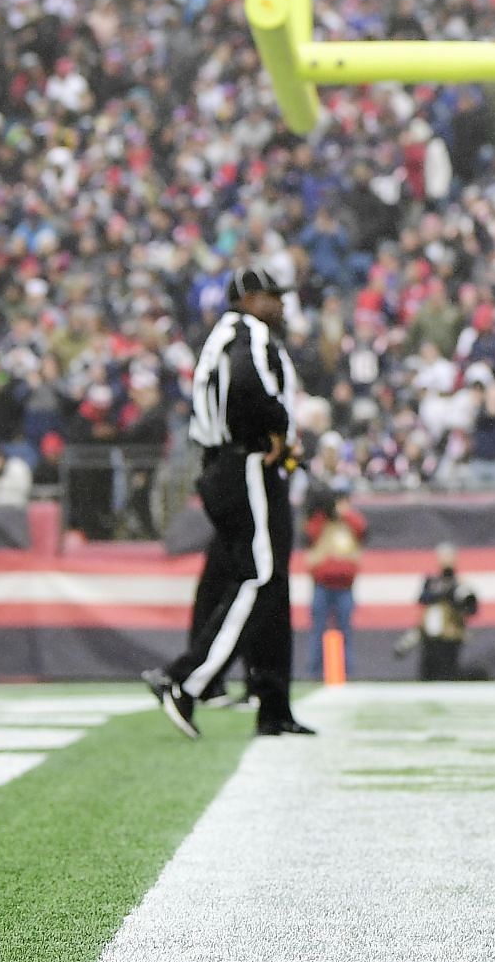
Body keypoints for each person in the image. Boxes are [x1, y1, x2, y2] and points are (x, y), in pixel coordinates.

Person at [143, 265, 314, 739]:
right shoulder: (247, 331)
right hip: (246, 463)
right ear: (250, 299)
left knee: (270, 585)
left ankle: (273, 703)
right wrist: (277, 429)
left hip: (232, 465)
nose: (279, 306)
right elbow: (245, 383)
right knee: (259, 578)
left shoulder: (227, 333)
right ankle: (186, 680)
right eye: (271, 296)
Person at [303, 486, 366, 679]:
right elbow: (310, 533)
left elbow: (362, 528)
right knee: (318, 630)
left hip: (345, 587)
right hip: (322, 585)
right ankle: (314, 672)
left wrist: (345, 514)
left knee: (345, 630)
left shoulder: (350, 522)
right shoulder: (321, 521)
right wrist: (326, 513)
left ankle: (347, 672)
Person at [395, 544, 481, 680]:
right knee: (428, 674)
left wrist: (458, 596)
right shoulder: (432, 582)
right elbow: (423, 600)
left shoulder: (460, 584)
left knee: (448, 674)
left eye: (449, 557)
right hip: (429, 638)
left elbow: (471, 608)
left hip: (449, 637)